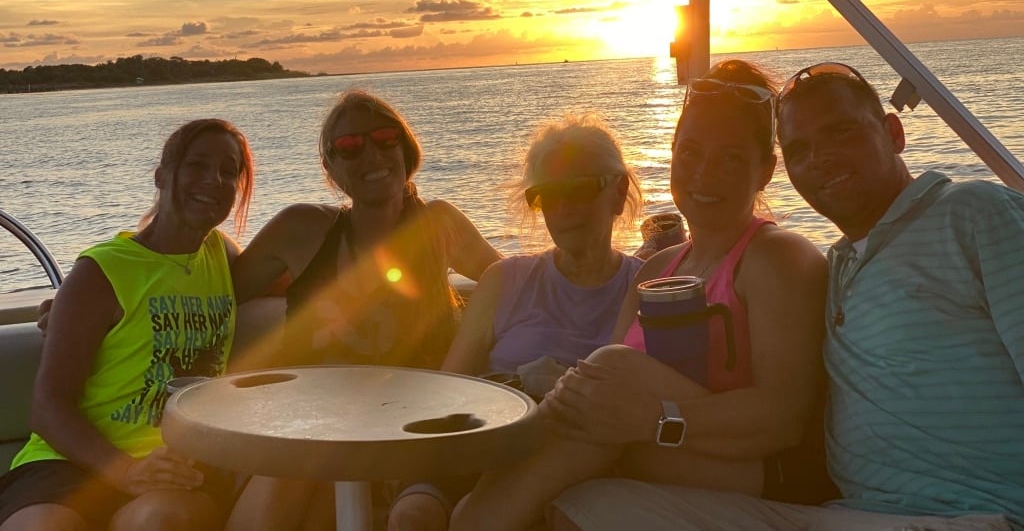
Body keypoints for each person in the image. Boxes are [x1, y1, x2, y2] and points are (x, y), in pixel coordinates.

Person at [451, 59, 828, 531]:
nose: (704, 174)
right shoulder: (654, 271)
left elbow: (784, 419)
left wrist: (653, 418)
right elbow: (598, 404)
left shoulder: (777, 257)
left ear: (766, 170)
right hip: (653, 457)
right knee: (592, 398)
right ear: (671, 152)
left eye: (731, 158)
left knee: (610, 372)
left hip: (760, 474)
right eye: (689, 153)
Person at [225, 88, 501, 531]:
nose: (372, 154)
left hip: (415, 430)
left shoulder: (438, 226)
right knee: (301, 481)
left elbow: (512, 284)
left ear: (406, 149)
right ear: (331, 168)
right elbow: (219, 295)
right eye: (350, 146)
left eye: (386, 138)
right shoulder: (302, 229)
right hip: (312, 426)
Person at [388, 112, 645, 530]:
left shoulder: (645, 287)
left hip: (576, 464)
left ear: (619, 194)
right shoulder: (505, 280)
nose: (564, 209)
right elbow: (448, 391)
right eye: (547, 195)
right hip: (482, 441)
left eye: (580, 189)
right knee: (414, 515)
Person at [0, 118, 255, 531]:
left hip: (175, 464)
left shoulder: (221, 255)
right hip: (68, 461)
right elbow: (48, 408)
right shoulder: (101, 272)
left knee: (158, 520)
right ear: (162, 175)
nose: (214, 180)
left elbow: (301, 275)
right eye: (197, 165)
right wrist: (126, 471)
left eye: (229, 171)